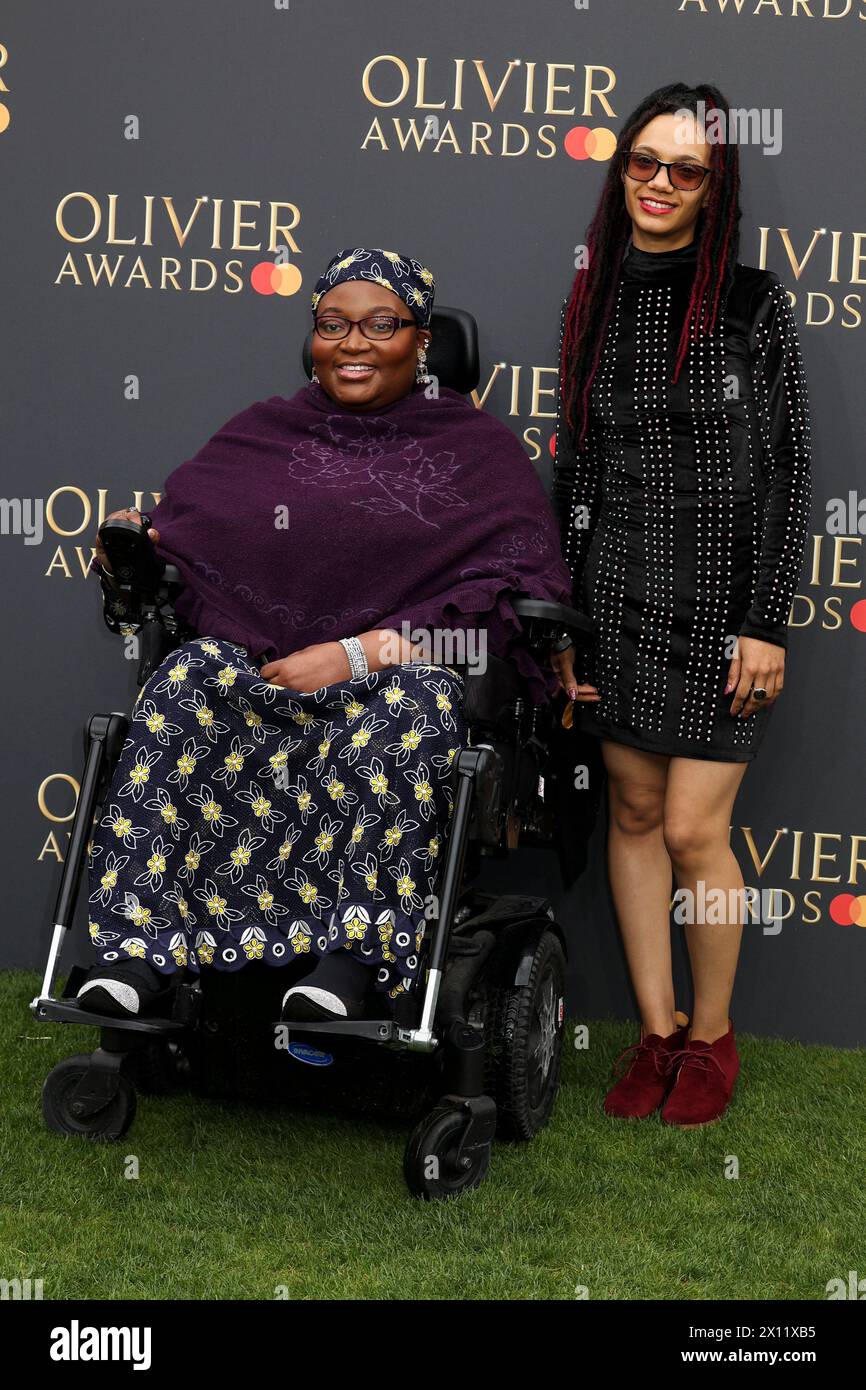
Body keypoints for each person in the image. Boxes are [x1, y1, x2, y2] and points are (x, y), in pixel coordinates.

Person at [78, 245, 573, 1025]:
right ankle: (136, 958)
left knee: (411, 708)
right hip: (269, 681)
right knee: (183, 681)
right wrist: (134, 538)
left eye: (381, 323)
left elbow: (510, 606)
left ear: (421, 339)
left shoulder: (477, 453)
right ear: (311, 338)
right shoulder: (262, 433)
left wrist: (355, 654)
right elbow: (183, 537)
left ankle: (353, 969)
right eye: (333, 324)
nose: (353, 342)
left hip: (395, 682)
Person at [551, 85, 812, 1127]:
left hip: (719, 604)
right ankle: (652, 1032)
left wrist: (767, 619)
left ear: (715, 186)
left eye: (685, 169)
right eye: (642, 164)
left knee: (698, 830)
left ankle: (710, 1039)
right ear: (620, 174)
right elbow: (579, 472)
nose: (659, 184)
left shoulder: (750, 301)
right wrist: (568, 625)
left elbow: (789, 470)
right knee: (632, 812)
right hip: (615, 594)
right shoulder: (593, 298)